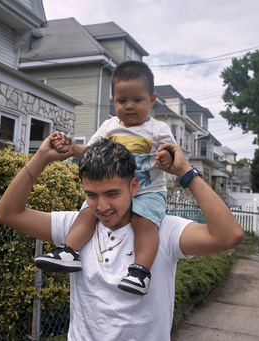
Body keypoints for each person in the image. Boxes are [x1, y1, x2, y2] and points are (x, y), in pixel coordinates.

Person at [0, 136, 244, 340]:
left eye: (112, 193)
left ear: (133, 186)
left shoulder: (162, 231)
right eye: (91, 195)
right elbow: (7, 213)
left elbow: (229, 236)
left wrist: (186, 172)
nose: (102, 206)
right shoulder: (75, 227)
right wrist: (41, 157)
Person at [34, 60, 176, 295]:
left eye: (137, 100)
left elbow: (172, 158)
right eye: (122, 101)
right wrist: (71, 148)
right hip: (112, 191)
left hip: (147, 190)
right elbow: (89, 152)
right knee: (87, 213)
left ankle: (140, 272)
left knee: (145, 223)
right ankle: (69, 250)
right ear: (113, 101)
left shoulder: (158, 130)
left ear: (151, 100)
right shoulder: (109, 126)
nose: (129, 106)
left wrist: (167, 161)